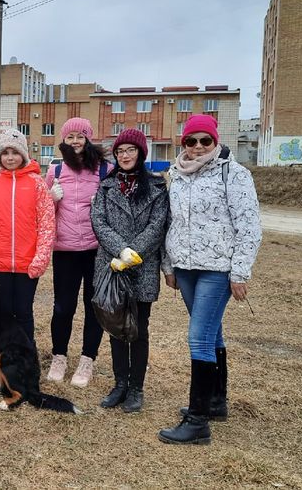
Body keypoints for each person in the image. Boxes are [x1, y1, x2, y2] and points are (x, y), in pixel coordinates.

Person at [157, 114, 262, 445]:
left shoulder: (234, 174)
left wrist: (240, 271)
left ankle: (197, 420)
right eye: (191, 141)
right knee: (212, 334)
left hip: (217, 270)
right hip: (185, 268)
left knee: (199, 338)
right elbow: (168, 222)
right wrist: (169, 266)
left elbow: (249, 225)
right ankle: (215, 402)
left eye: (205, 141)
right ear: (183, 143)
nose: (198, 147)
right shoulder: (176, 175)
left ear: (215, 142)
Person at [91, 129, 169, 413]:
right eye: (120, 151)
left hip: (142, 267)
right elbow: (98, 221)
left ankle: (136, 387)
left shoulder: (157, 187)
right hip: (112, 266)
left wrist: (133, 253)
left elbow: (158, 225)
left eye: (130, 150)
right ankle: (119, 384)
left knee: (139, 329)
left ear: (141, 153)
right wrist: (120, 250)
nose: (125, 156)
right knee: (115, 326)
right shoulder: (106, 186)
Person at [0, 129, 55, 346]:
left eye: (14, 152)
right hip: (0, 264)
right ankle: (4, 357)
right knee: (3, 312)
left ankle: (25, 356)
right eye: (5, 153)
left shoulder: (37, 184)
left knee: (23, 312)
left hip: (28, 264)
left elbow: (46, 224)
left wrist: (41, 258)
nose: (10, 157)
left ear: (23, 155)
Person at [43, 117, 111, 388]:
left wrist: (103, 203)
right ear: (63, 140)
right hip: (65, 250)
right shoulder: (55, 172)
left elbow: (116, 211)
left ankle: (87, 359)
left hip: (96, 250)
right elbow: (43, 213)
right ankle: (59, 356)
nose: (75, 141)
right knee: (62, 307)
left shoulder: (106, 170)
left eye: (80, 136)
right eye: (70, 137)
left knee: (93, 307)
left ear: (88, 138)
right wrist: (51, 199)